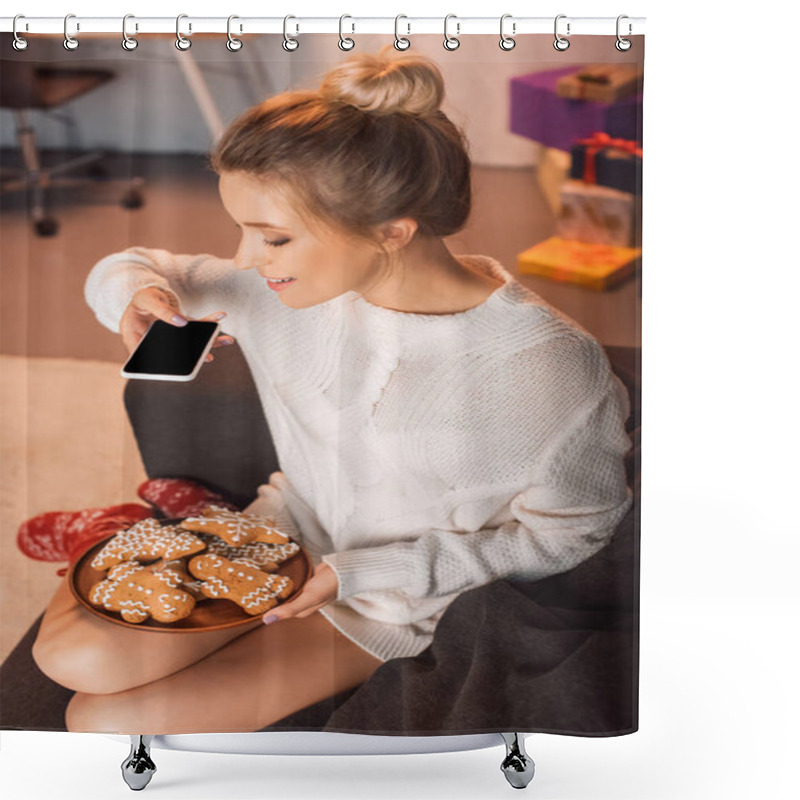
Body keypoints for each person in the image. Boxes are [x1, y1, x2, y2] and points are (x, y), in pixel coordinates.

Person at [31, 45, 633, 735]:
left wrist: (366, 572)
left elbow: (577, 531)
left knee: (97, 725)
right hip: (278, 536)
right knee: (72, 658)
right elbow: (131, 262)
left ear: (392, 230)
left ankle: (155, 529)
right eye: (243, 231)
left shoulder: (542, 364)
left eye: (274, 238)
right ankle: (123, 528)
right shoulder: (281, 288)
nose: (247, 259)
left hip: (394, 598)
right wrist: (138, 295)